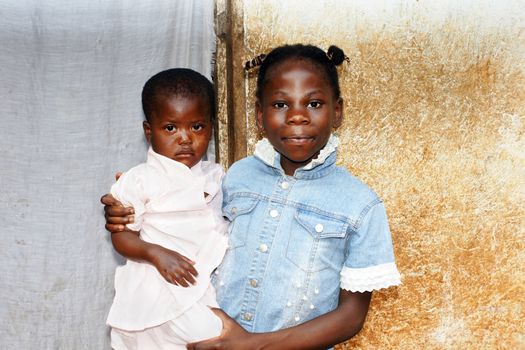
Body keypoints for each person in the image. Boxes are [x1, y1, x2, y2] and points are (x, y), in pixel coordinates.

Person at [103, 44, 401, 350]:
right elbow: (181, 217)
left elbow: (351, 317)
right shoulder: (236, 176)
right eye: (281, 105)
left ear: (336, 111)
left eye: (313, 103)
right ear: (259, 116)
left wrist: (253, 345)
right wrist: (126, 206)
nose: (297, 116)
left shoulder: (361, 206)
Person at [105, 68, 228, 350]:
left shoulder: (216, 176)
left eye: (196, 127)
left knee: (216, 334)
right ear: (149, 131)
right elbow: (121, 236)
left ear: (211, 126)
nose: (185, 138)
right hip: (156, 283)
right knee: (208, 334)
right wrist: (155, 253)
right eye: (171, 128)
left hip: (199, 286)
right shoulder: (138, 179)